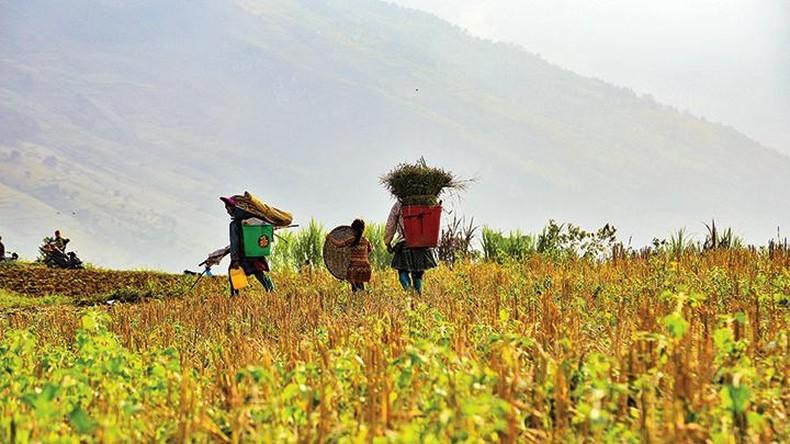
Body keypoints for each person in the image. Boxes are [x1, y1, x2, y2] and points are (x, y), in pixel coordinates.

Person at [204, 196, 274, 296]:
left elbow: (235, 242)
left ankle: (235, 295)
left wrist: (235, 259)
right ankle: (271, 290)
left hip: (241, 255)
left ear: (232, 208)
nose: (227, 211)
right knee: (258, 272)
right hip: (253, 252)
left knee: (233, 273)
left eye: (227, 208)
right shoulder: (252, 223)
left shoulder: (235, 224)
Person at [384, 200, 438, 293]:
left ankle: (409, 293)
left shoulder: (399, 204)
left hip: (405, 243)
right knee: (418, 274)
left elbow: (391, 224)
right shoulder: (427, 202)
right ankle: (418, 296)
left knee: (402, 271)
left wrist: (388, 242)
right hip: (422, 244)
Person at [329, 219, 372, 292]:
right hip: (365, 266)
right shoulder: (366, 240)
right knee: (360, 285)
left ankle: (357, 300)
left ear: (353, 230)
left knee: (355, 288)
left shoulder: (352, 240)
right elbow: (370, 250)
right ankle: (362, 299)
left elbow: (339, 244)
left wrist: (330, 238)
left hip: (354, 267)